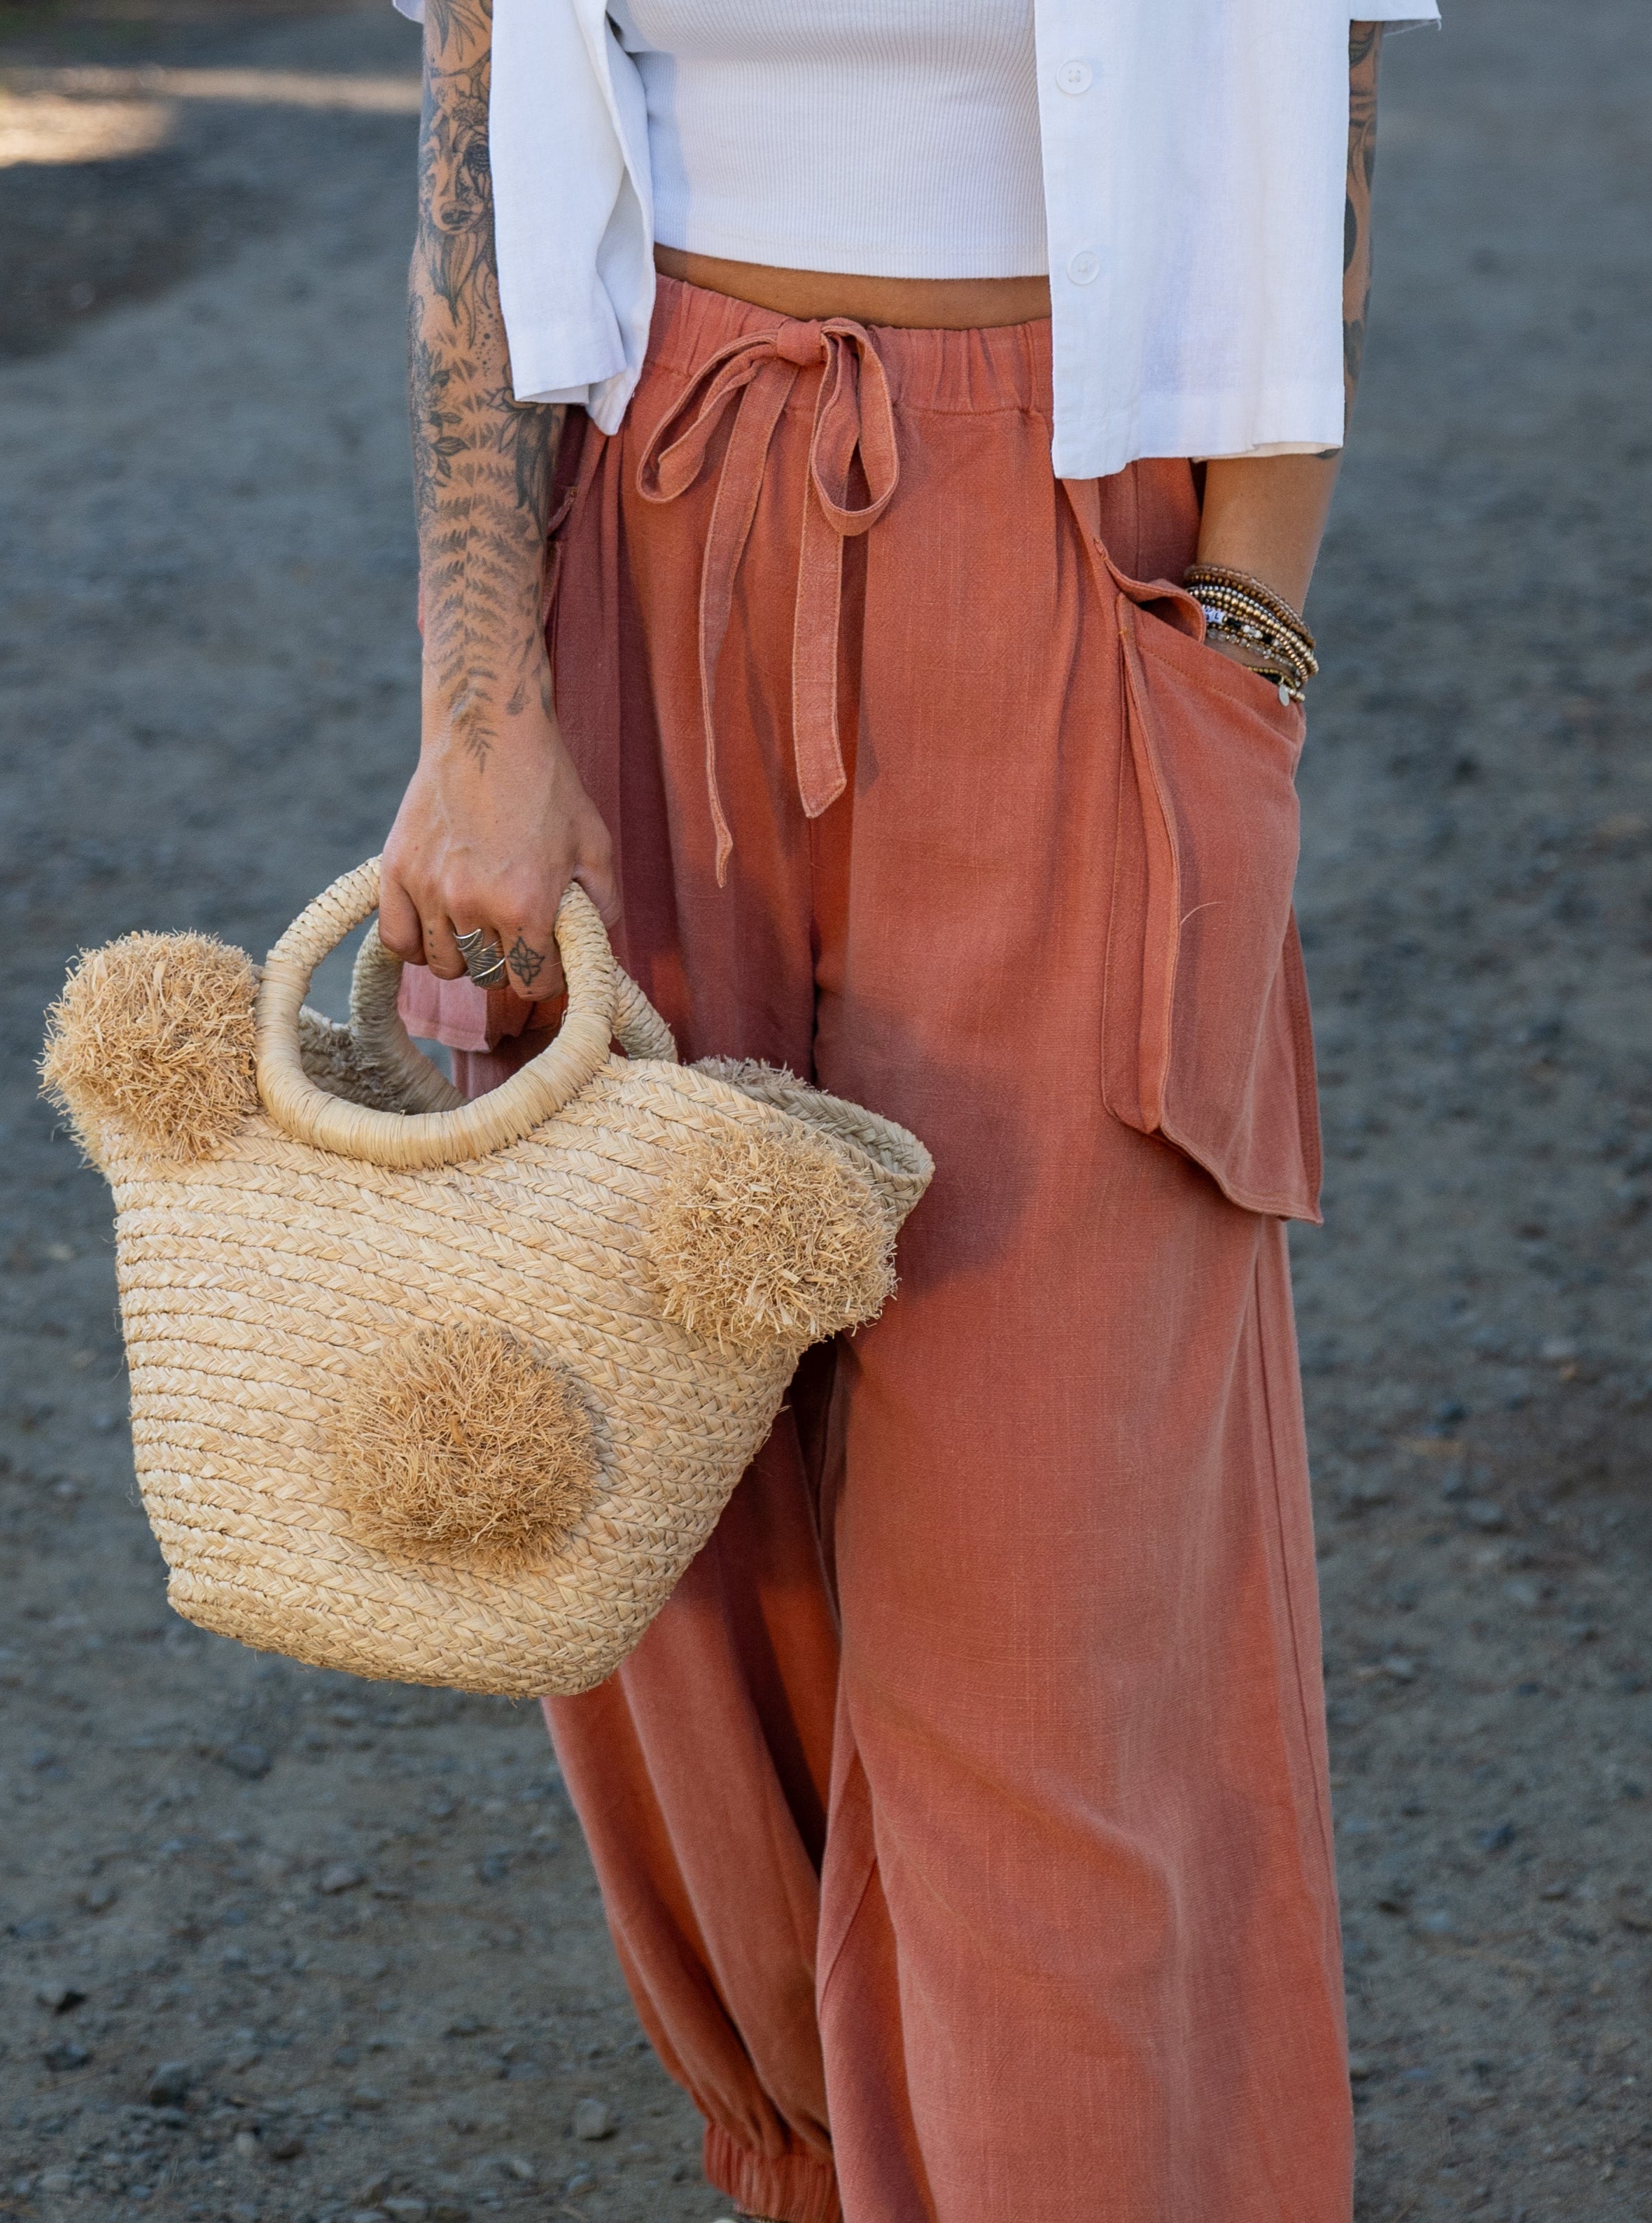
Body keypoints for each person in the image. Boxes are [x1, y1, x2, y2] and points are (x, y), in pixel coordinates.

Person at [378, 5, 1435, 2217]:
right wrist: (483, 710)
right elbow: (477, 115)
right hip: (650, 537)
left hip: (1078, 559)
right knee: (673, 1514)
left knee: (1053, 1565)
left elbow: (1319, 83)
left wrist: (1241, 654)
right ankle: (822, 2164)